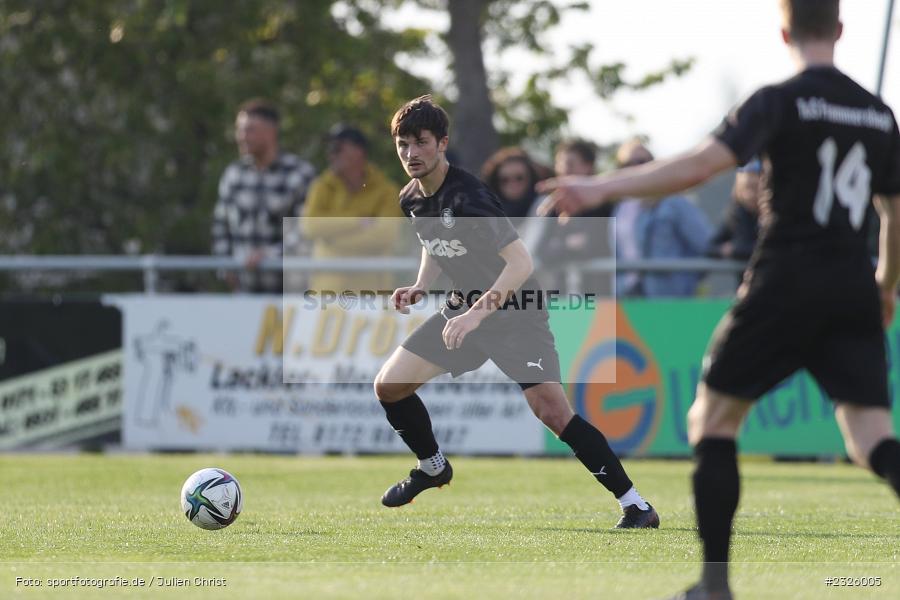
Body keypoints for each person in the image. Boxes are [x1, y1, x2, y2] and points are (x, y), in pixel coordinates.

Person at [538, 1, 900, 597]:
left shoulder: (777, 100)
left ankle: (714, 584)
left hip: (784, 278)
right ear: (839, 29)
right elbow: (893, 215)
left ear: (784, 31)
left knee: (713, 419)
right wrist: (884, 287)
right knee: (872, 440)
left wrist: (597, 186)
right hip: (852, 286)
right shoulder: (879, 114)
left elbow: (700, 167)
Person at [373, 95, 660, 529]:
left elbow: (521, 263)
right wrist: (421, 286)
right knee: (389, 386)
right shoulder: (412, 198)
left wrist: (475, 315)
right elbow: (433, 243)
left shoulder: (470, 196)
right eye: (403, 145)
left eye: (421, 142)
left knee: (552, 412)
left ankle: (636, 505)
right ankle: (432, 466)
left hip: (516, 313)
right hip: (465, 313)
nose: (411, 154)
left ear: (442, 143)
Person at [212, 99, 316, 293]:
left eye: (250, 130)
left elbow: (305, 231)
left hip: (290, 294)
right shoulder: (233, 175)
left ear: (271, 132)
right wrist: (225, 267)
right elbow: (221, 226)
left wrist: (269, 255)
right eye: (239, 130)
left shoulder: (299, 174)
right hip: (244, 293)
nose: (242, 137)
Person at [301, 124, 404, 295]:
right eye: (330, 148)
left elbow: (385, 236)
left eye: (338, 148)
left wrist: (332, 241)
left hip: (372, 294)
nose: (331, 153)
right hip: (326, 292)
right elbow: (310, 227)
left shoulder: (387, 191)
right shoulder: (321, 186)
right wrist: (359, 221)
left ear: (359, 152)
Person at [612, 140, 713, 298]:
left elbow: (707, 245)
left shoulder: (674, 202)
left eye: (642, 162)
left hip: (668, 298)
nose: (635, 168)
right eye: (627, 164)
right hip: (627, 296)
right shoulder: (619, 208)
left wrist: (685, 281)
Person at [708, 159, 762, 286]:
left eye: (755, 188)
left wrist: (735, 250)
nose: (751, 195)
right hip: (746, 287)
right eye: (747, 188)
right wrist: (727, 250)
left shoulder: (776, 215)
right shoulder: (735, 215)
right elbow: (710, 248)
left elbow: (769, 248)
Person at [481, 147, 544, 226]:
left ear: (530, 178)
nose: (513, 184)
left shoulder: (544, 207)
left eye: (519, 178)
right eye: (504, 180)